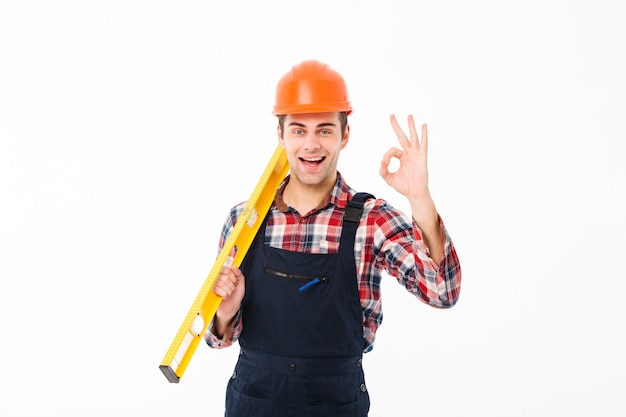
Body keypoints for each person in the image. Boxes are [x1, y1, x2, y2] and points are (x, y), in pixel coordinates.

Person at [204, 59, 462, 417]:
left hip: (334, 403)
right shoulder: (245, 220)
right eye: (299, 130)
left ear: (345, 134)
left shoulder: (372, 219)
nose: (311, 144)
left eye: (324, 130)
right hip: (254, 399)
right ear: (280, 135)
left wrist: (419, 197)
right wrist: (225, 313)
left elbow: (443, 293)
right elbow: (218, 338)